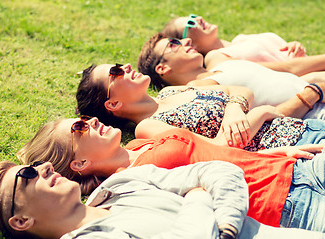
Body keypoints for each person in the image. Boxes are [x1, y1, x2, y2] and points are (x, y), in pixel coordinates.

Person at [17, 116, 325, 231]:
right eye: (79, 128)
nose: (92, 120)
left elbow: (214, 153)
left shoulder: (141, 143)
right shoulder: (126, 186)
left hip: (293, 168)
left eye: (84, 118)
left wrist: (267, 155)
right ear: (80, 164)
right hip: (285, 204)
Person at [0, 159, 325, 239]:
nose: (43, 168)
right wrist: (198, 200)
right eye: (27, 175)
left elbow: (219, 171)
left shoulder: (122, 183)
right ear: (21, 220)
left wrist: (228, 224)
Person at [76, 62, 325, 150]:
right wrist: (259, 113)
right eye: (115, 72)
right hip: (293, 146)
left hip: (306, 127)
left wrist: (234, 109)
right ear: (113, 103)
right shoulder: (148, 127)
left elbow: (238, 90)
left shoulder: (170, 91)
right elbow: (216, 148)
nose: (126, 68)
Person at [137, 33, 325, 120]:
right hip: (313, 115)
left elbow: (286, 77)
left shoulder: (224, 65)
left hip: (319, 96)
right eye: (173, 44)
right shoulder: (196, 91)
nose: (186, 40)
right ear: (163, 68)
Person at [161, 14, 325, 79]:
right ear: (187, 41)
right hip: (314, 80)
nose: (199, 19)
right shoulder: (218, 59)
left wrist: (293, 46)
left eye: (194, 16)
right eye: (191, 23)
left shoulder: (241, 39)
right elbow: (286, 69)